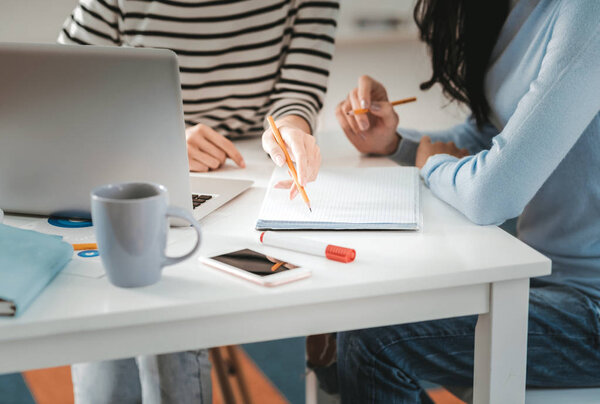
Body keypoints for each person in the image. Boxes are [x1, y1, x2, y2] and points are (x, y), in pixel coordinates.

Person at [58, 0, 338, 402]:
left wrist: (290, 128)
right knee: (107, 306)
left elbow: (299, 90)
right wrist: (159, 133)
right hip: (132, 160)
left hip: (251, 175)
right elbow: (65, 85)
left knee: (169, 316)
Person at [332, 0, 600, 402]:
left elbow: (494, 193)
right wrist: (395, 143)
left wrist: (431, 164)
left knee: (372, 341)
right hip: (547, 278)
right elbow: (499, 139)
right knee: (357, 302)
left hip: (590, 303)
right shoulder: (513, 8)